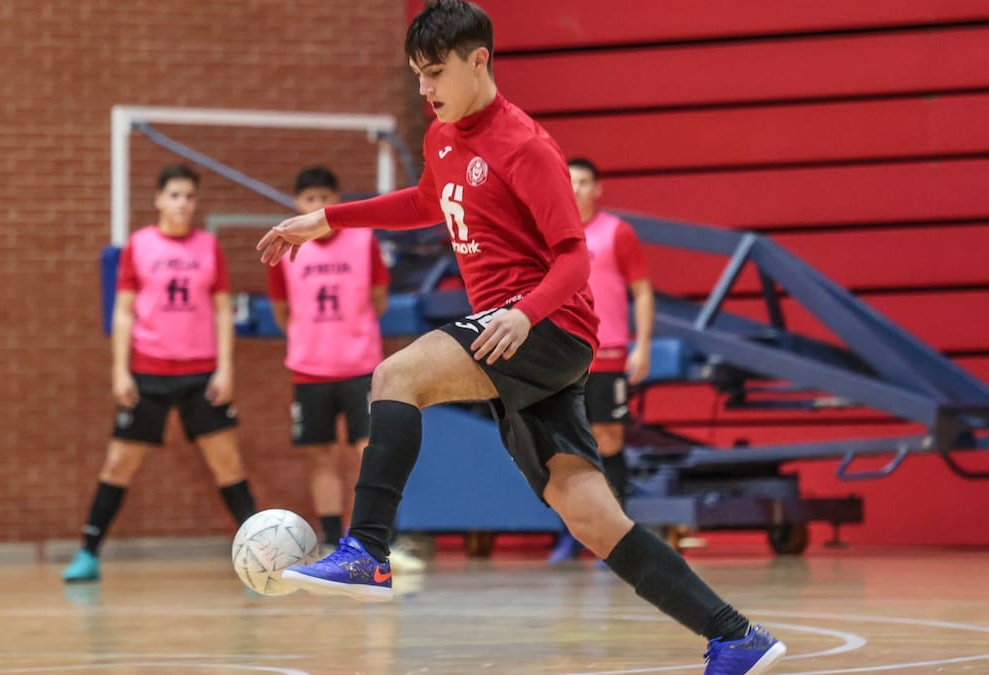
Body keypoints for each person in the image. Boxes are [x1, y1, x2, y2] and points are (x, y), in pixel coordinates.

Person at [256, 2, 784, 673]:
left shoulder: (526, 145)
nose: (424, 89)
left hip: (548, 327)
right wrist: (329, 218)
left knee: (396, 376)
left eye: (434, 73)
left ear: (480, 60)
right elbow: (426, 199)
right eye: (416, 74)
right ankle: (736, 636)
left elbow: (574, 259)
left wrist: (526, 313)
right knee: (590, 516)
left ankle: (367, 550)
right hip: (522, 341)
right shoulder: (442, 135)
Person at [63, 164, 257, 583]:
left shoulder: (209, 246)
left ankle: (258, 555)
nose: (182, 203)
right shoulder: (139, 245)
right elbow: (124, 311)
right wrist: (120, 372)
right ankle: (88, 552)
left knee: (227, 463)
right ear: (158, 199)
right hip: (148, 371)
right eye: (174, 195)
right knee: (119, 463)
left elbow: (223, 313)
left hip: (201, 371)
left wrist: (225, 369)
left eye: (189, 196)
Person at [268, 166, 427, 572]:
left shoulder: (362, 241)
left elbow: (378, 300)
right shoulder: (286, 248)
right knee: (321, 456)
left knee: (368, 453)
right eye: (308, 198)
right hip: (309, 368)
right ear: (296, 204)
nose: (317, 205)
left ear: (338, 200)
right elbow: (282, 311)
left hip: (360, 367)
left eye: (325, 196)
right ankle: (327, 541)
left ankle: (376, 541)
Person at [548, 158, 655, 564]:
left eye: (584, 182)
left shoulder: (617, 232)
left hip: (608, 353)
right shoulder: (549, 235)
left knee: (609, 440)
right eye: (569, 182)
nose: (575, 189)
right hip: (563, 354)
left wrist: (641, 345)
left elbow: (642, 291)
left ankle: (619, 539)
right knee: (565, 447)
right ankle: (570, 536)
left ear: (598, 188)